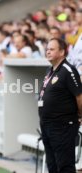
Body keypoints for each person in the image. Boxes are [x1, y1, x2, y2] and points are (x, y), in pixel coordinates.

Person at [38, 38, 82, 173]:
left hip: (62, 126)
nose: (48, 52)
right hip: (47, 125)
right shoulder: (50, 70)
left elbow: (79, 96)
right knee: (52, 165)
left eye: (52, 49)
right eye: (47, 49)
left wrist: (80, 115)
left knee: (64, 165)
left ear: (62, 52)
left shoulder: (68, 70)